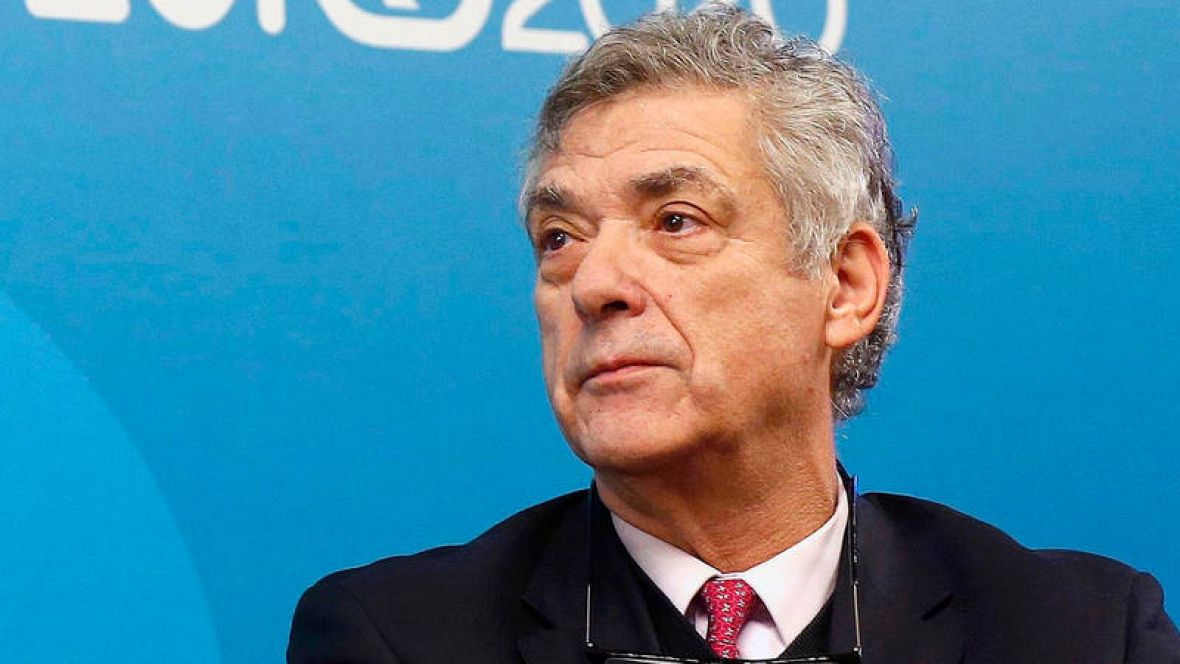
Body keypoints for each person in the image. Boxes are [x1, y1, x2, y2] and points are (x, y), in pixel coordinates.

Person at [287, 5, 1180, 663]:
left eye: (676, 221)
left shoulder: (1082, 633)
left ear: (845, 284)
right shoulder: (396, 637)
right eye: (559, 239)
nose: (594, 284)